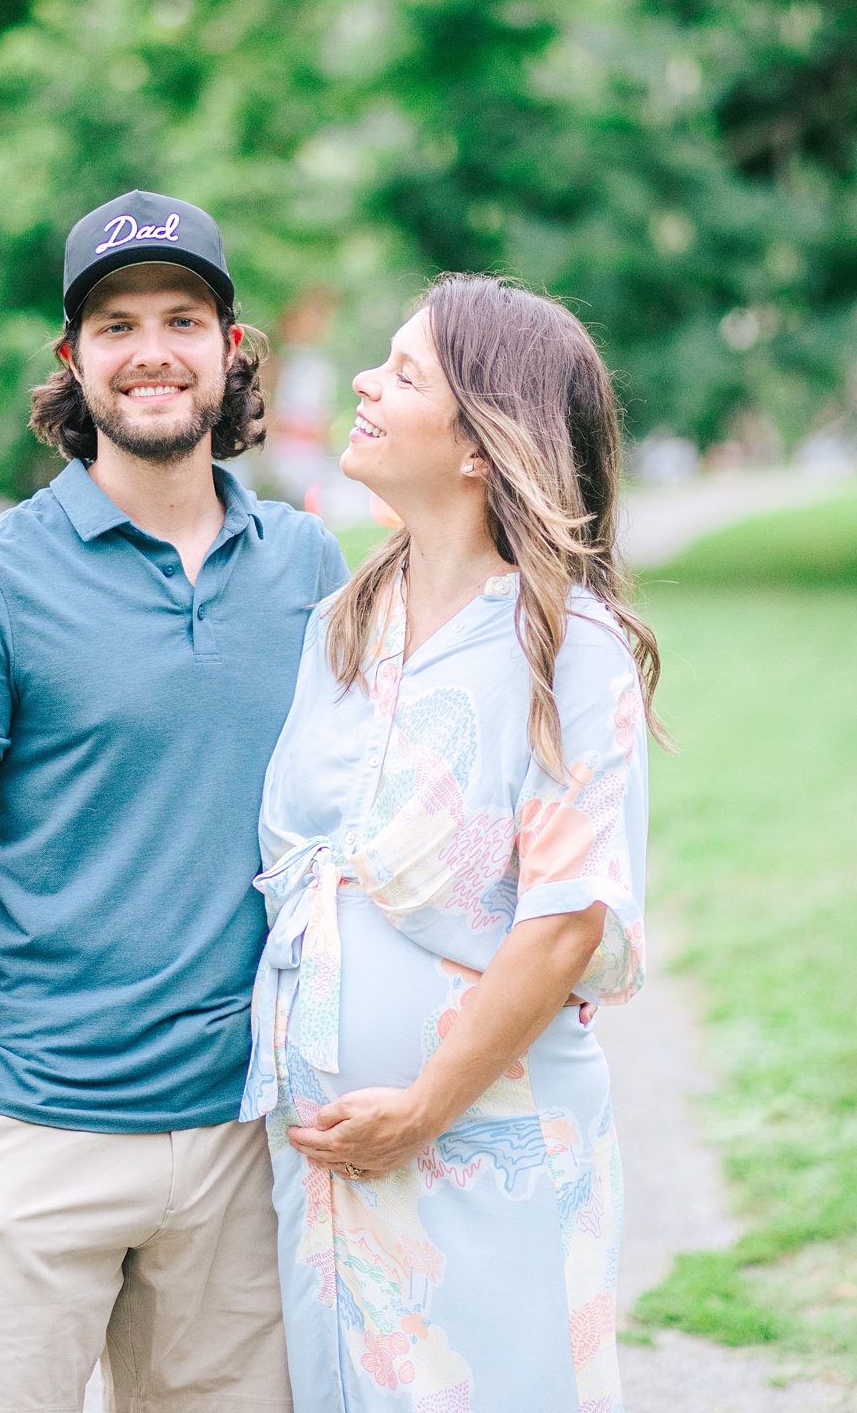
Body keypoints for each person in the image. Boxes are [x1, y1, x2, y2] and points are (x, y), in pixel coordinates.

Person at [0, 191, 349, 1406]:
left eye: (184, 318)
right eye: (117, 323)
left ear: (231, 349)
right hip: (38, 1131)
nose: (153, 350)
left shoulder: (308, 566)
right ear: (73, 360)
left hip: (240, 1144)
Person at [239, 273, 658, 1408]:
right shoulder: (342, 626)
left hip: (485, 1151)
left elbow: (566, 920)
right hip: (326, 1163)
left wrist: (420, 1106)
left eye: (404, 371)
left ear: (480, 445)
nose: (366, 384)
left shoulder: (570, 651)